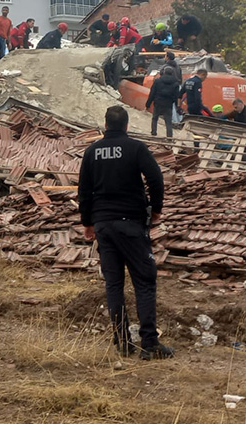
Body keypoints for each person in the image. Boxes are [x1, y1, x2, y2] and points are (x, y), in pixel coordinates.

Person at [78, 105, 174, 360]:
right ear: (127, 126)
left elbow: (84, 190)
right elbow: (156, 179)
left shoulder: (92, 151)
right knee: (144, 279)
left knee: (114, 284)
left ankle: (122, 341)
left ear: (106, 125)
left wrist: (87, 222)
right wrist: (156, 210)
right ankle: (150, 343)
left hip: (103, 226)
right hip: (130, 223)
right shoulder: (136, 148)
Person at [146, 66, 182, 137]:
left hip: (158, 103)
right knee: (168, 121)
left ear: (164, 72)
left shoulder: (157, 81)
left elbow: (152, 93)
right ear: (172, 73)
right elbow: (176, 96)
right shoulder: (175, 83)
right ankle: (169, 136)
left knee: (155, 118)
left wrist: (148, 104)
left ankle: (154, 133)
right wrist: (177, 106)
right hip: (168, 104)